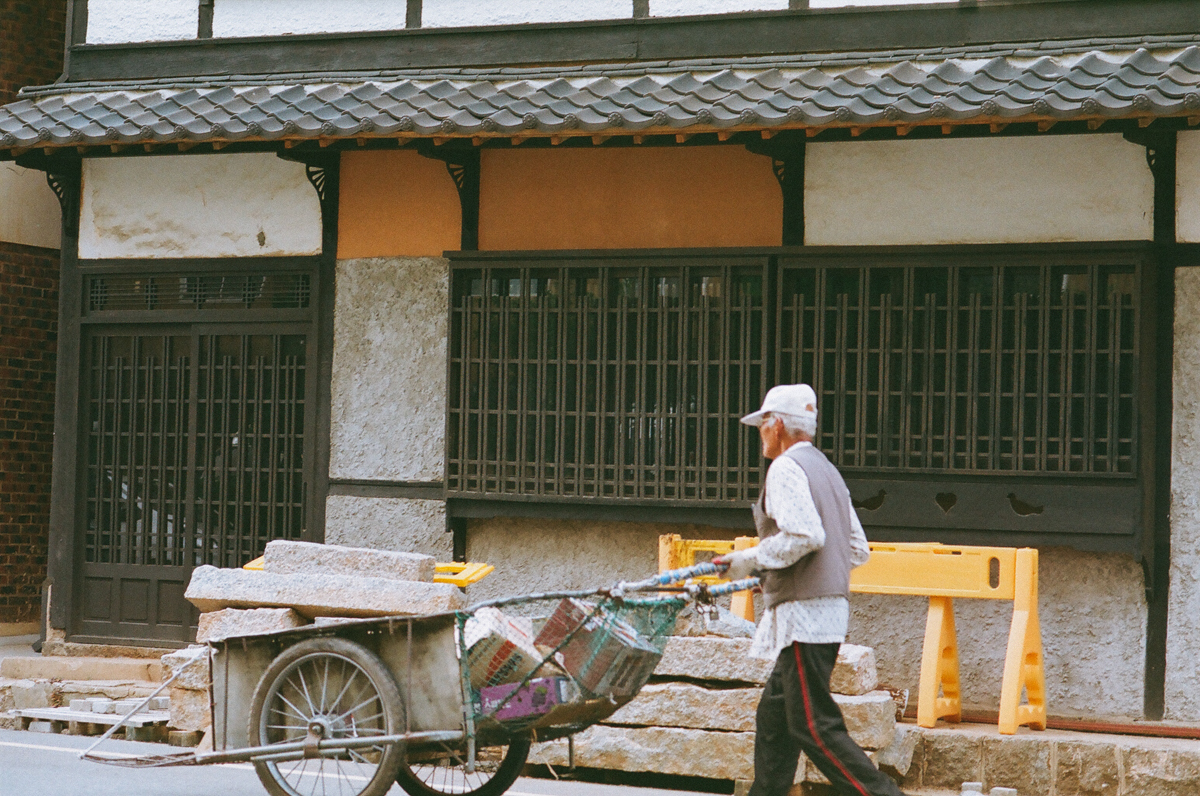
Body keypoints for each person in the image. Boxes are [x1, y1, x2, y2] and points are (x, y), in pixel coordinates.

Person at [714, 383, 905, 796]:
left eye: (762, 424)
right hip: (826, 611)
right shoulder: (826, 469)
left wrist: (749, 560)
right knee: (775, 721)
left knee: (813, 726)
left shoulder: (784, 469)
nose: (760, 433)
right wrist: (802, 571)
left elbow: (805, 536)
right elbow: (856, 549)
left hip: (804, 616)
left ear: (777, 424)